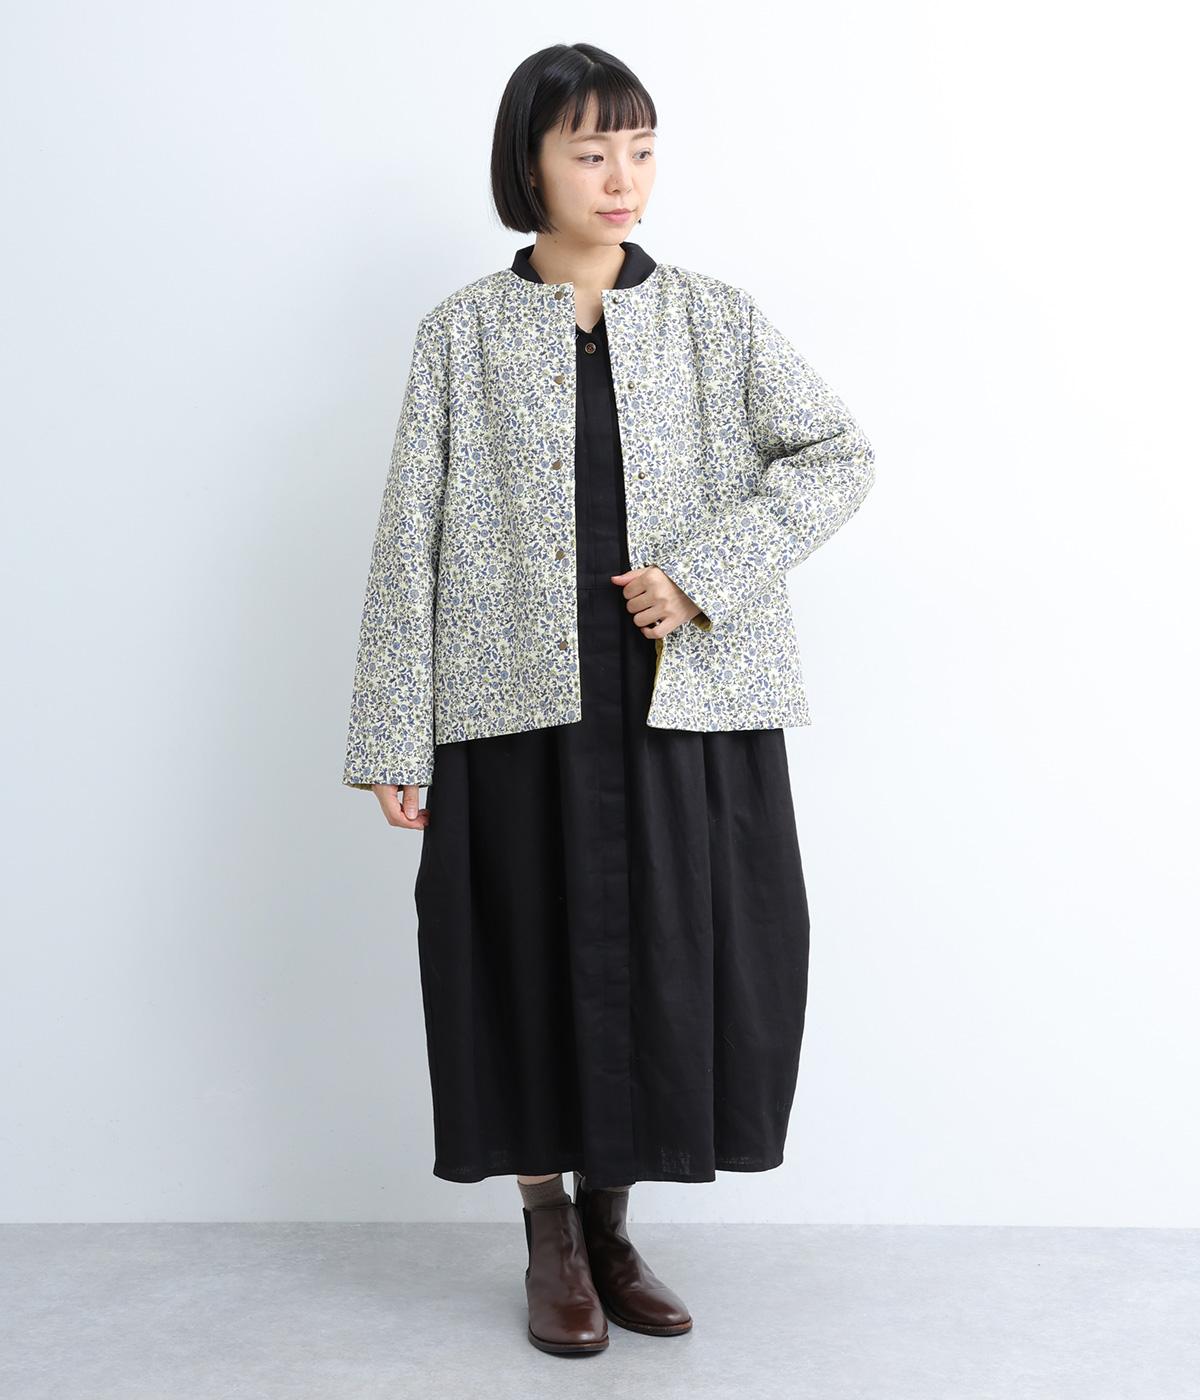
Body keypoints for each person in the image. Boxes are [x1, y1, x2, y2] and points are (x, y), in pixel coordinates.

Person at [341, 42, 876, 1356]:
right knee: (519, 958)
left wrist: (703, 576)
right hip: (509, 706)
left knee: (664, 964)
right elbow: (410, 534)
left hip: (680, 706)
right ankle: (549, 1235)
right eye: (590, 152)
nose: (622, 178)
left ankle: (615, 1227)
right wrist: (393, 731)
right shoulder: (462, 331)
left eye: (639, 149)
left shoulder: (715, 317)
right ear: (530, 165)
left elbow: (837, 455)